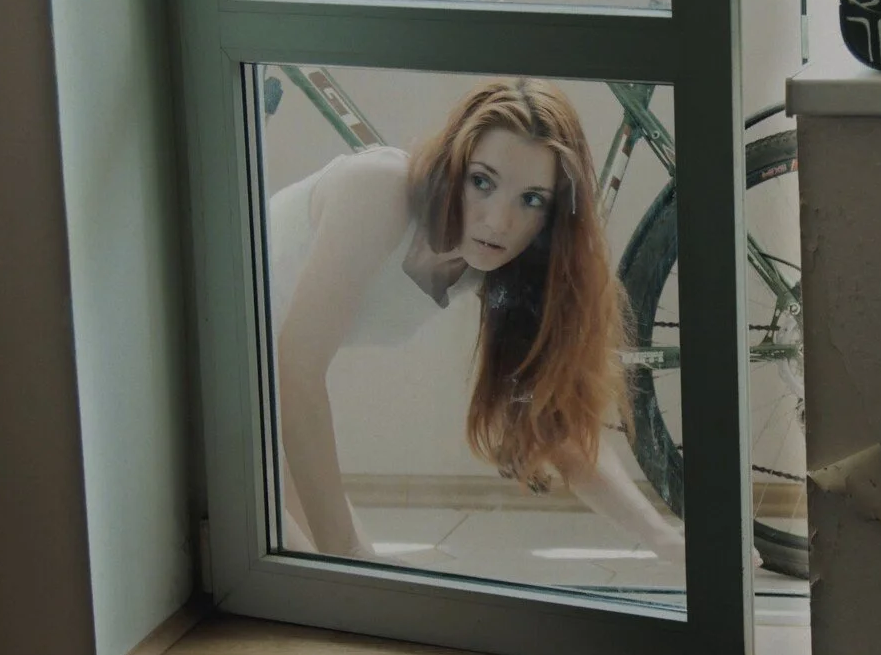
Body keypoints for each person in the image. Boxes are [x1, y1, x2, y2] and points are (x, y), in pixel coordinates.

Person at [269, 78, 685, 561]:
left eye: (531, 199)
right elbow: (295, 370)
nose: (498, 222)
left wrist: (664, 539)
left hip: (254, 396)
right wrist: (349, 560)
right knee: (337, 576)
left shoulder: (493, 265)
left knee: (346, 576)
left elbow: (555, 426)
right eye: (482, 182)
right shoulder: (379, 189)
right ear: (454, 166)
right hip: (207, 363)